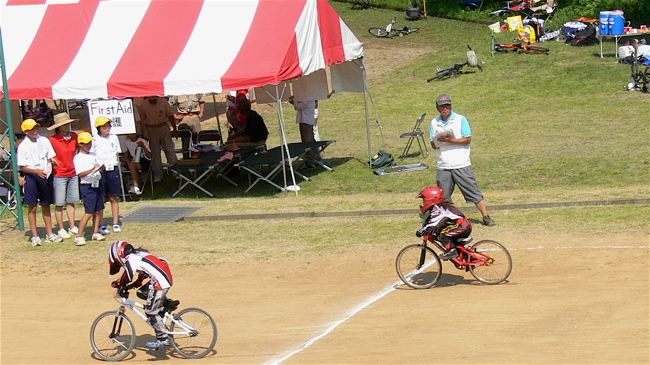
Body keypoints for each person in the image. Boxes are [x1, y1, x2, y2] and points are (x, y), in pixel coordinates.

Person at [429, 93, 495, 226]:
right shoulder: (434, 122)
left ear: (451, 106)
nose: (445, 108)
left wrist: (451, 140)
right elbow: (433, 144)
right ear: (437, 108)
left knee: (473, 192)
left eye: (447, 105)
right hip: (443, 165)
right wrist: (439, 141)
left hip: (461, 163)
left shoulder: (460, 119)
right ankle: (450, 219)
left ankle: (486, 216)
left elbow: (467, 139)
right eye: (442, 106)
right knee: (443, 197)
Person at [109, 240, 174, 349]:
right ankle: (167, 304)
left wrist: (118, 283)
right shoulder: (138, 254)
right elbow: (146, 270)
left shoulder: (131, 258)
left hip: (160, 281)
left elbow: (128, 275)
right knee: (142, 292)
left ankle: (163, 338)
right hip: (163, 277)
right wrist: (136, 283)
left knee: (150, 311)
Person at [16, 119, 63, 246]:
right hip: (32, 177)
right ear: (26, 131)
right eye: (32, 129)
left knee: (46, 205)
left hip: (45, 175)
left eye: (36, 128)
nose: (35, 131)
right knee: (32, 207)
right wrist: (36, 171)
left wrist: (52, 161)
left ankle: (49, 233)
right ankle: (35, 235)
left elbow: (49, 155)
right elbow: (22, 167)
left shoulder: (44, 140)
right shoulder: (23, 146)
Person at [415, 186, 472, 260]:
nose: (424, 203)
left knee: (443, 235)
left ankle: (452, 251)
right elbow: (431, 220)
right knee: (439, 234)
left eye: (424, 200)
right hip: (461, 226)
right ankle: (468, 258)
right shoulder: (438, 207)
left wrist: (422, 231)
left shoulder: (438, 209)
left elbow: (434, 222)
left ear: (431, 200)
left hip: (462, 226)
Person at [47, 112, 80, 239]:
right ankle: (61, 228)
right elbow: (48, 154)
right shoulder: (53, 140)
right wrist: (54, 161)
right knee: (60, 203)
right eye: (64, 124)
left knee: (71, 201)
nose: (67, 126)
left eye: (68, 124)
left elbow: (79, 149)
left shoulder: (75, 136)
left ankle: (72, 226)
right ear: (58, 126)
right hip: (60, 173)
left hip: (73, 172)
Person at [73, 132, 106, 245]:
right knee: (89, 212)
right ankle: (79, 235)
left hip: (97, 183)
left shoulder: (94, 154)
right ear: (81, 144)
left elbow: (99, 166)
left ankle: (95, 232)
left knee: (98, 210)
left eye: (90, 143)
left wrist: (100, 168)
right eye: (86, 143)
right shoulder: (78, 158)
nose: (89, 145)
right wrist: (93, 169)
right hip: (87, 186)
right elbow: (81, 174)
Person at [137, 96, 178, 183]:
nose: (153, 101)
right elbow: (143, 120)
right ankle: (157, 174)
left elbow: (170, 115)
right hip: (151, 129)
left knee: (169, 149)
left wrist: (174, 128)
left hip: (163, 126)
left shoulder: (163, 101)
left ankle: (176, 172)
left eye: (154, 99)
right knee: (155, 153)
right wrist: (144, 133)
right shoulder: (143, 104)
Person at [93, 116, 122, 234]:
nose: (107, 128)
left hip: (112, 168)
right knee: (101, 198)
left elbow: (117, 152)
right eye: (104, 126)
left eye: (109, 126)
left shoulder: (114, 137)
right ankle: (101, 223)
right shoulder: (94, 139)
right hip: (100, 170)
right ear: (99, 128)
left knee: (113, 197)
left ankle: (115, 223)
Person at [289, 97, 320, 169]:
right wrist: (293, 101)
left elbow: (297, 106)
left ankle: (310, 162)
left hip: (305, 121)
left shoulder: (306, 98)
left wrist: (294, 100)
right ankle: (316, 159)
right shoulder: (311, 98)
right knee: (311, 139)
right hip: (308, 120)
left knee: (307, 142)